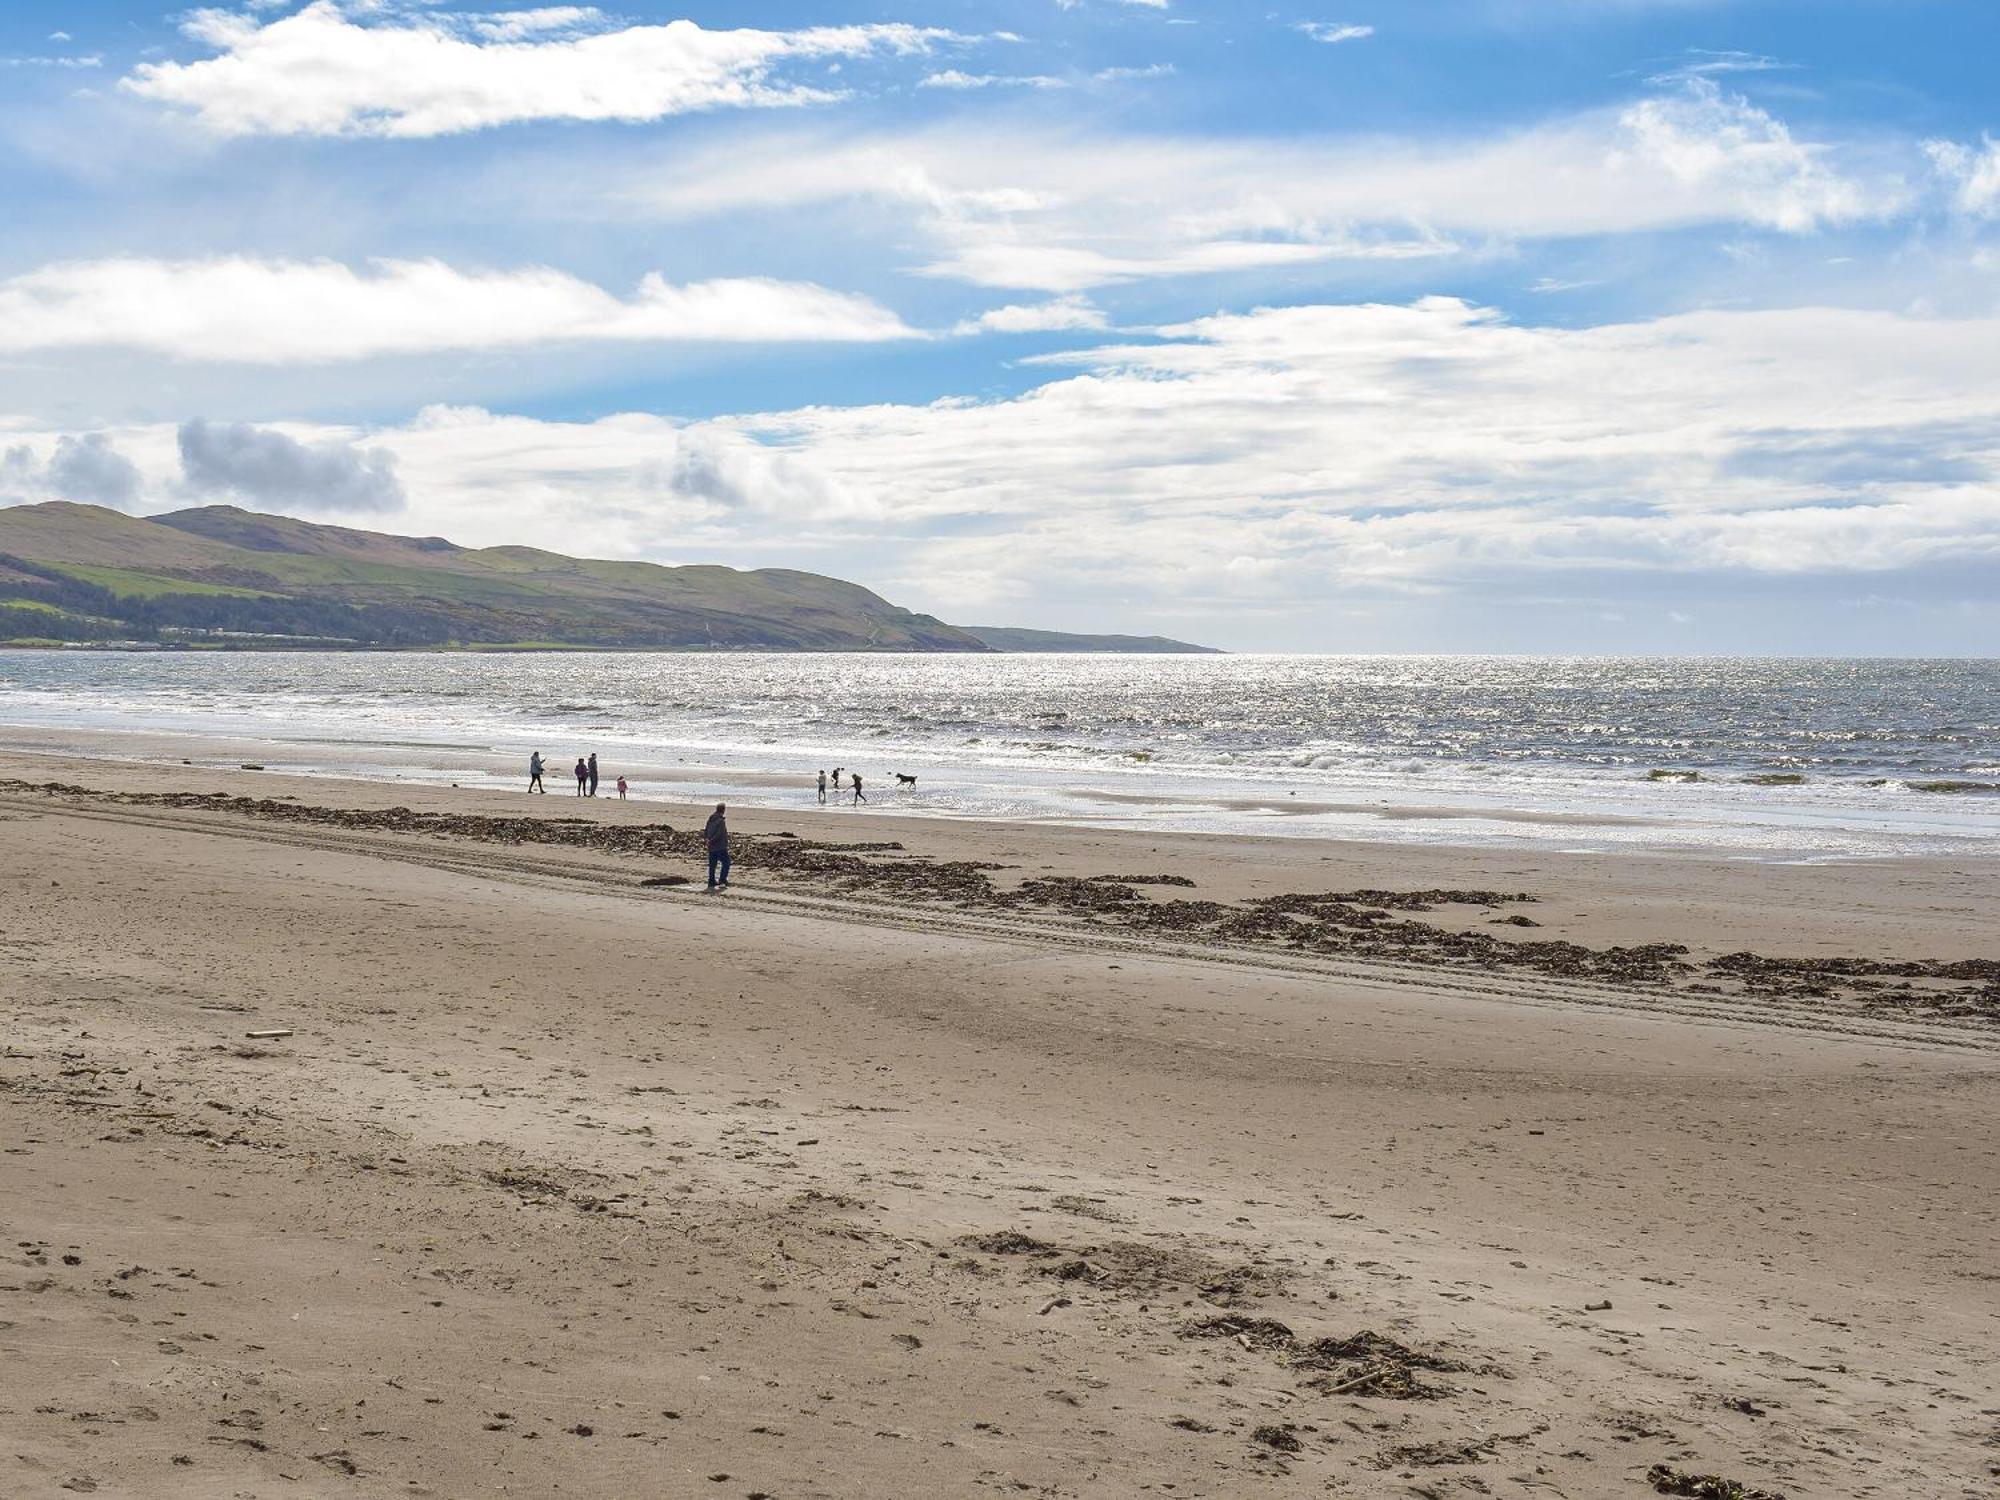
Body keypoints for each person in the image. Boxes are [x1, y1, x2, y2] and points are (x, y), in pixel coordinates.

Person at [704, 802, 731, 891]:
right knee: (726, 862)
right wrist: (712, 840)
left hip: (711, 845)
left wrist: (707, 840)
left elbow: (706, 830)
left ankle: (711, 880)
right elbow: (719, 833)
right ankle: (722, 879)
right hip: (719, 846)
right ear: (723, 810)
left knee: (713, 864)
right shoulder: (721, 821)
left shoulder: (711, 819)